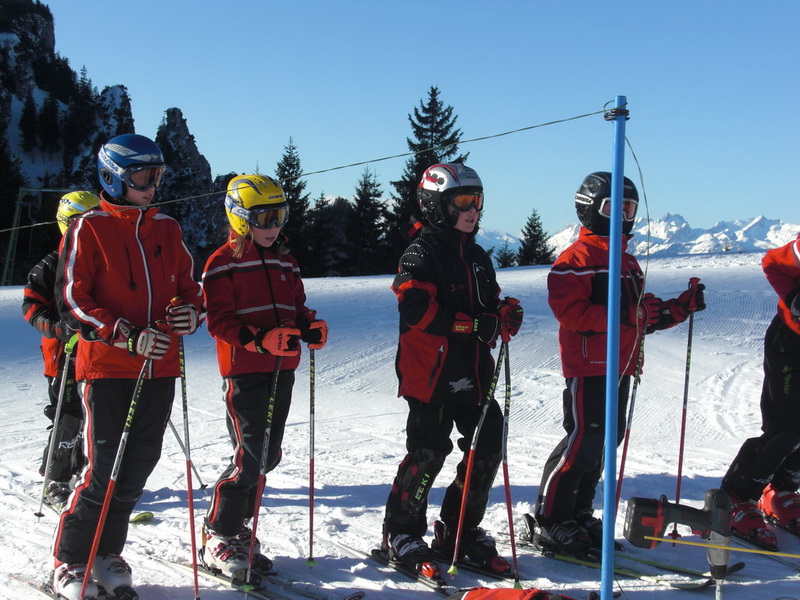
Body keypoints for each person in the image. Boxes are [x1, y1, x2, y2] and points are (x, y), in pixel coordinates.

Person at [53, 134, 202, 600]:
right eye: (142, 177)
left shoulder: (167, 229)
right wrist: (123, 332)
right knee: (103, 470)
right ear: (113, 177)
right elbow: (72, 299)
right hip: (107, 368)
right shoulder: (89, 228)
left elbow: (189, 287)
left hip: (160, 366)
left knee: (137, 466)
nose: (152, 186)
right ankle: (70, 559)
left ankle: (106, 551)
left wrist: (191, 311)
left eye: (157, 176)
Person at [529, 171, 705, 555]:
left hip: (622, 364)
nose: (623, 215)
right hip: (589, 364)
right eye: (614, 208)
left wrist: (677, 308)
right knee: (584, 440)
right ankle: (550, 517)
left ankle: (577, 513)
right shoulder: (574, 261)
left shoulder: (627, 262)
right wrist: (629, 315)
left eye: (628, 208)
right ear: (590, 209)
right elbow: (573, 315)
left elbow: (640, 316)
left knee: (606, 442)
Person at [381, 163, 524, 575]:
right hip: (431, 374)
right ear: (435, 205)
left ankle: (458, 528)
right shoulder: (420, 254)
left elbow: (489, 303)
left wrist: (503, 313)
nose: (473, 210)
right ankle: (402, 531)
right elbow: (416, 310)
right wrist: (473, 325)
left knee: (488, 443)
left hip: (474, 370)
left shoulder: (477, 256)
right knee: (428, 450)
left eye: (477, 201)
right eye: (462, 201)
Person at [200, 174, 328, 579]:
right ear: (240, 218)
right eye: (264, 218)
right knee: (250, 455)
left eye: (280, 216)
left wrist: (309, 325)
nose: (274, 227)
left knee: (267, 455)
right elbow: (219, 321)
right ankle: (219, 531)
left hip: (282, 369)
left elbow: (296, 306)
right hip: (245, 372)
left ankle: (236, 528)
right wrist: (258, 340)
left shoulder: (285, 261)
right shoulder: (222, 263)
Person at [720, 234, 800, 550]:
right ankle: (736, 497)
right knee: (787, 427)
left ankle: (781, 490)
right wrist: (793, 297)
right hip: (791, 343)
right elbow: (772, 262)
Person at [22, 191, 99, 508]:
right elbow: (31, 306)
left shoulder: (101, 261)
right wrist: (59, 327)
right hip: (63, 356)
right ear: (67, 224)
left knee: (95, 415)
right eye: (84, 222)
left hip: (97, 354)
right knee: (68, 415)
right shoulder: (52, 264)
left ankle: (86, 474)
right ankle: (55, 480)